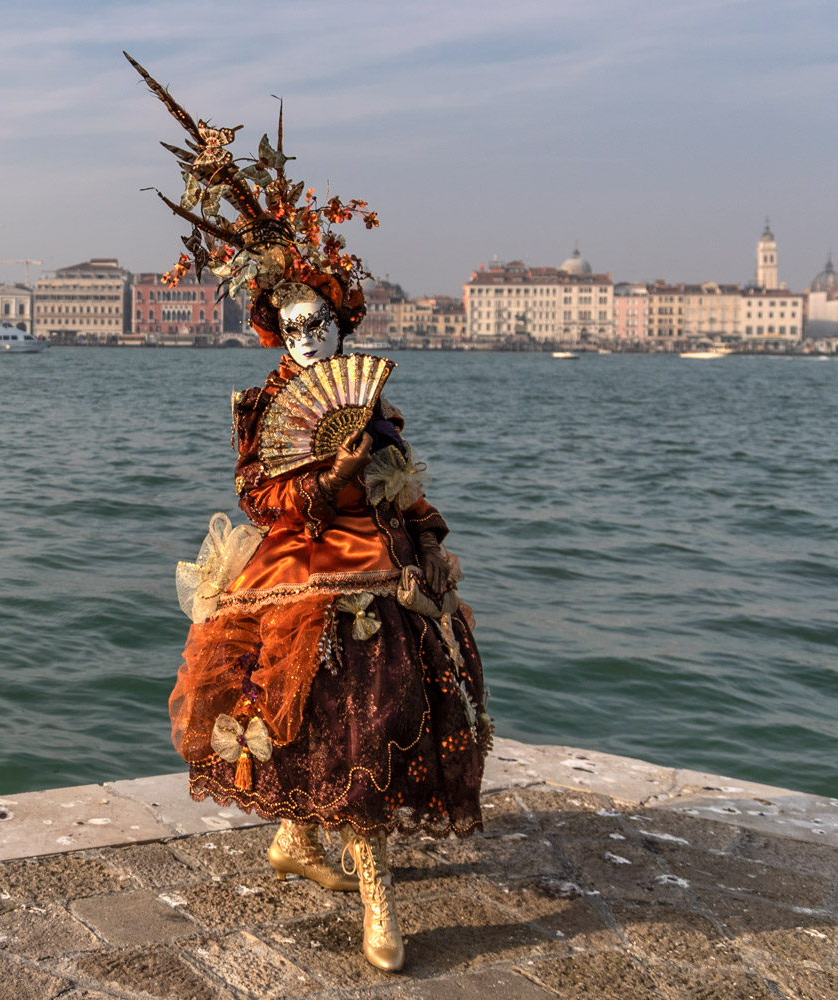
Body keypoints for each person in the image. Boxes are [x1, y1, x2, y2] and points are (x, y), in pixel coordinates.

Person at [128, 53, 491, 973]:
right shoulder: (264, 411)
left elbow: (405, 486)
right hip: (302, 570)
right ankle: (379, 906)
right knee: (339, 723)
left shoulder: (376, 406)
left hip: (391, 574)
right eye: (288, 327)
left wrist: (433, 541)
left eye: (316, 326)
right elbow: (261, 496)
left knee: (350, 724)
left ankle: (297, 839)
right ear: (274, 331)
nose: (304, 339)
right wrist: (326, 472)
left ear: (337, 328)